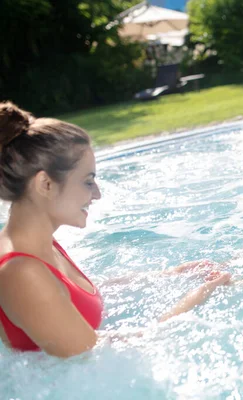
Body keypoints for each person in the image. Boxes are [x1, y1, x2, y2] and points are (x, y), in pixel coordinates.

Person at [0, 102, 230, 358]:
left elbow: (64, 296)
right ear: (45, 184)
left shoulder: (39, 244)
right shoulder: (21, 271)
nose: (96, 194)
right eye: (88, 182)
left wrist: (170, 275)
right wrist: (194, 301)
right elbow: (95, 359)